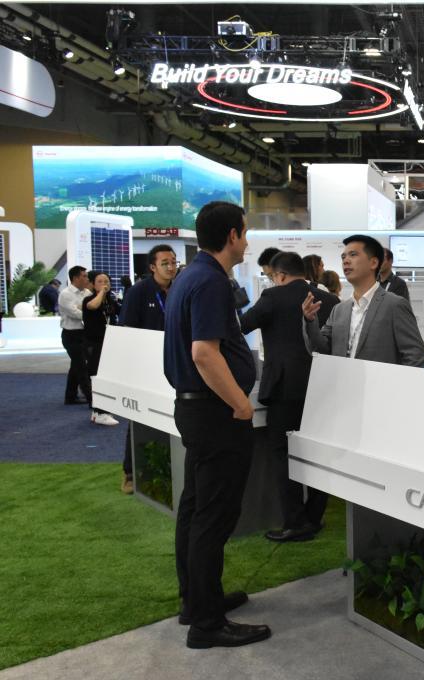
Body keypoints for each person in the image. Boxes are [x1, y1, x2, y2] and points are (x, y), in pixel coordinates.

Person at [163, 201, 270, 649]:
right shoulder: (209, 281)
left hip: (197, 411)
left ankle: (197, 601)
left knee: (196, 509)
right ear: (232, 235)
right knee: (213, 515)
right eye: (245, 232)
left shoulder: (191, 276)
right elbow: (204, 353)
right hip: (215, 414)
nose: (247, 242)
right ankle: (207, 623)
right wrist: (240, 405)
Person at [241, 252, 337, 543]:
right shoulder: (329, 299)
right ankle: (314, 516)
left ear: (280, 275)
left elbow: (241, 326)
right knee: (318, 453)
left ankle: (295, 522)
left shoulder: (272, 297)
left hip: (283, 388)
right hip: (322, 388)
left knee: (282, 454)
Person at [303, 235, 424, 367]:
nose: (346, 261)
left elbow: (416, 355)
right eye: (343, 257)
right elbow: (321, 350)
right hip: (343, 379)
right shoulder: (338, 310)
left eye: (353, 255)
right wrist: (310, 321)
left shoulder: (395, 305)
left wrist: (394, 380)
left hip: (379, 380)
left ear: (373, 263)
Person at [119, 244, 178, 493]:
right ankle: (130, 473)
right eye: (165, 263)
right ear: (153, 267)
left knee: (174, 415)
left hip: (175, 362)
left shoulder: (180, 288)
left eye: (173, 262)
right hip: (146, 365)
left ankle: (169, 467)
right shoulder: (139, 292)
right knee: (140, 416)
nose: (171, 267)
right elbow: (127, 330)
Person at [82, 270, 121, 427]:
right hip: (94, 344)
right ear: (92, 284)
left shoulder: (110, 301)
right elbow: (93, 306)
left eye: (107, 281)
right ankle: (100, 412)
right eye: (100, 281)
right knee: (98, 377)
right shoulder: (89, 299)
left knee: (107, 376)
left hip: (108, 343)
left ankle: (98, 411)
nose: (105, 284)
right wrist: (101, 293)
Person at [58, 266, 92, 406]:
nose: (87, 279)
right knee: (81, 367)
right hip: (70, 335)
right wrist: (86, 311)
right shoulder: (65, 294)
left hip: (83, 334)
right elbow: (76, 314)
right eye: (84, 276)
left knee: (76, 366)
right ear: (76, 278)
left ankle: (70, 397)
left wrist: (84, 310)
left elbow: (91, 310)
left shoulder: (87, 292)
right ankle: (91, 398)